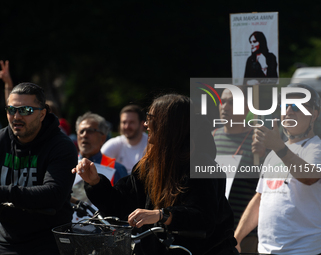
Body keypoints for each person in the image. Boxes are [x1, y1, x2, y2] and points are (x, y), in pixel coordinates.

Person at [73, 94, 238, 254]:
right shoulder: (148, 165)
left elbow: (203, 218)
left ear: (169, 124)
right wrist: (94, 182)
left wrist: (162, 215)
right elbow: (120, 204)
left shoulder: (204, 165)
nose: (145, 124)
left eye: (150, 118)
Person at [235, 83, 321, 255]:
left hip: (303, 251)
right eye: (284, 106)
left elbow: (309, 177)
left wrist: (279, 148)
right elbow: (260, 199)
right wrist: (236, 237)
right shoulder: (274, 154)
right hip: (266, 250)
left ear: (314, 115)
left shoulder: (319, 148)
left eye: (296, 107)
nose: (288, 111)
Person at [0, 82, 78, 254]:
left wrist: (4, 193)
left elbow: (53, 194)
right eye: (11, 110)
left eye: (25, 110)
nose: (16, 116)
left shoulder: (61, 146)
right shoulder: (2, 140)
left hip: (48, 241)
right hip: (6, 240)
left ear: (42, 114)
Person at [213, 87, 266, 253]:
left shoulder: (258, 141)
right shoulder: (212, 137)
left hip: (246, 233)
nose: (225, 106)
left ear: (246, 109)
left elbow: (267, 186)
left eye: (232, 102)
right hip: (216, 230)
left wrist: (263, 157)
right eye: (223, 101)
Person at [75, 111, 128, 186]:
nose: (84, 135)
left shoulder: (117, 169)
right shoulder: (66, 164)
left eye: (90, 131)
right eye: (81, 131)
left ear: (102, 138)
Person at [101, 104, 148, 174]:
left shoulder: (151, 144)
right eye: (124, 122)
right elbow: (101, 170)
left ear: (142, 124)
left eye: (131, 122)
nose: (127, 126)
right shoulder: (113, 144)